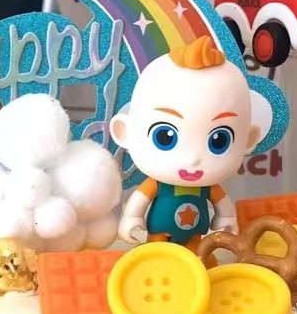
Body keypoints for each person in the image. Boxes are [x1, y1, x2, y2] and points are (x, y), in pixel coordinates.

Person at [110, 36, 263, 249]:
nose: (192, 159)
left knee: (196, 256)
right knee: (157, 255)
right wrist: (131, 218)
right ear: (125, 132)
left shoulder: (209, 188)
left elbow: (223, 206)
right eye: (165, 138)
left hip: (195, 236)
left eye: (219, 140)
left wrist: (226, 218)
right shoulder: (157, 185)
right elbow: (140, 200)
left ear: (248, 141)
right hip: (159, 234)